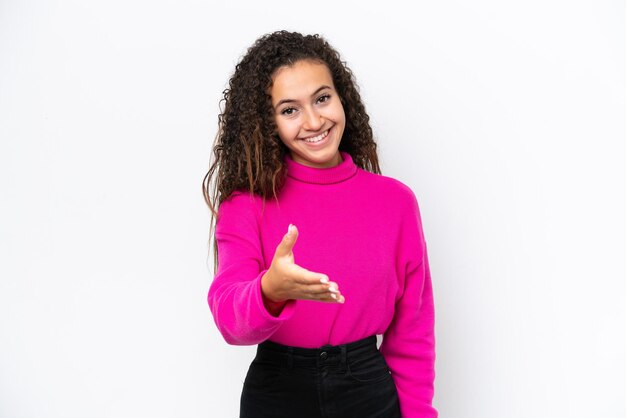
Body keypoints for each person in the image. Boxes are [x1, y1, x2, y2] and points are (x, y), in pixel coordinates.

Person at [202, 30, 437, 418]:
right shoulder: (246, 204)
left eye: (322, 98)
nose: (314, 121)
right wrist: (270, 290)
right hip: (278, 391)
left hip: (369, 390)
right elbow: (230, 321)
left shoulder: (396, 202)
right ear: (268, 122)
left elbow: (412, 333)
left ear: (342, 97)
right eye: (289, 110)